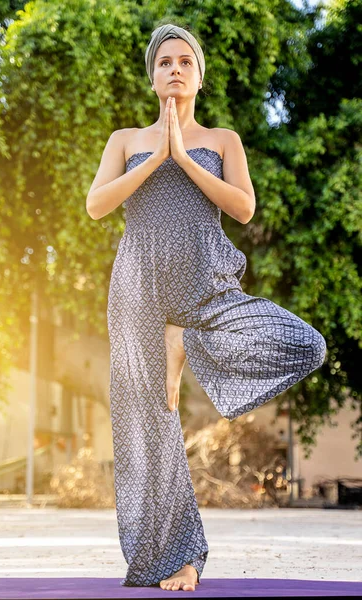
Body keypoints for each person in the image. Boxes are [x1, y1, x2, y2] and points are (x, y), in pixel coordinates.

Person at [86, 23, 326, 592]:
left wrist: (184, 158)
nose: (174, 68)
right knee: (147, 432)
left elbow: (243, 209)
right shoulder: (125, 140)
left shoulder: (223, 141)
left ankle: (186, 338)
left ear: (197, 76)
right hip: (137, 288)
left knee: (305, 344)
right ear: (152, 77)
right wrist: (155, 157)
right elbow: (97, 205)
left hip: (207, 287)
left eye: (184, 61)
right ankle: (177, 559)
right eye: (164, 61)